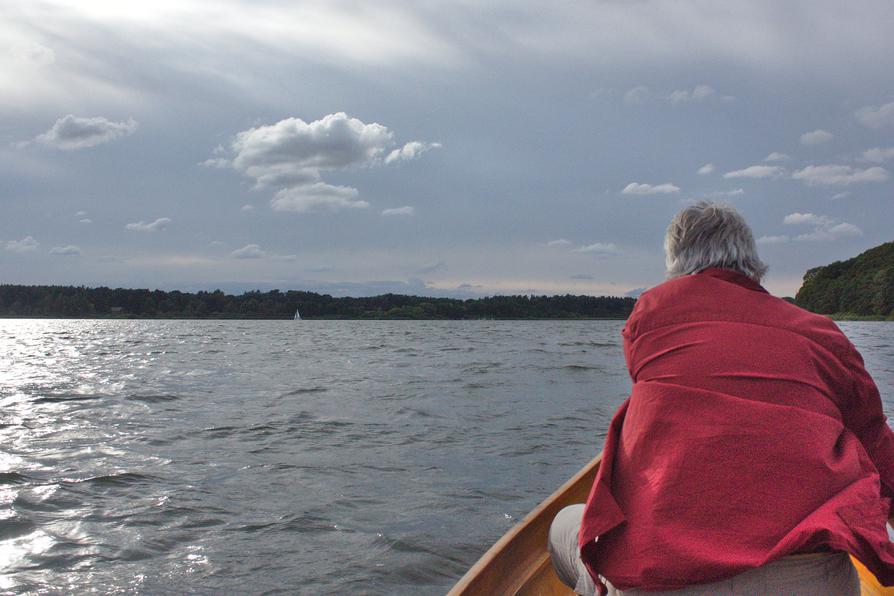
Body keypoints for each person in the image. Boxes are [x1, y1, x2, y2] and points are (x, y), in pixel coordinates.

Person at [548, 201, 894, 595]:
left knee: (565, 527)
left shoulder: (649, 316)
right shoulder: (822, 333)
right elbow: (877, 447)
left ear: (675, 265)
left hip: (666, 579)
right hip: (807, 578)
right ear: (752, 262)